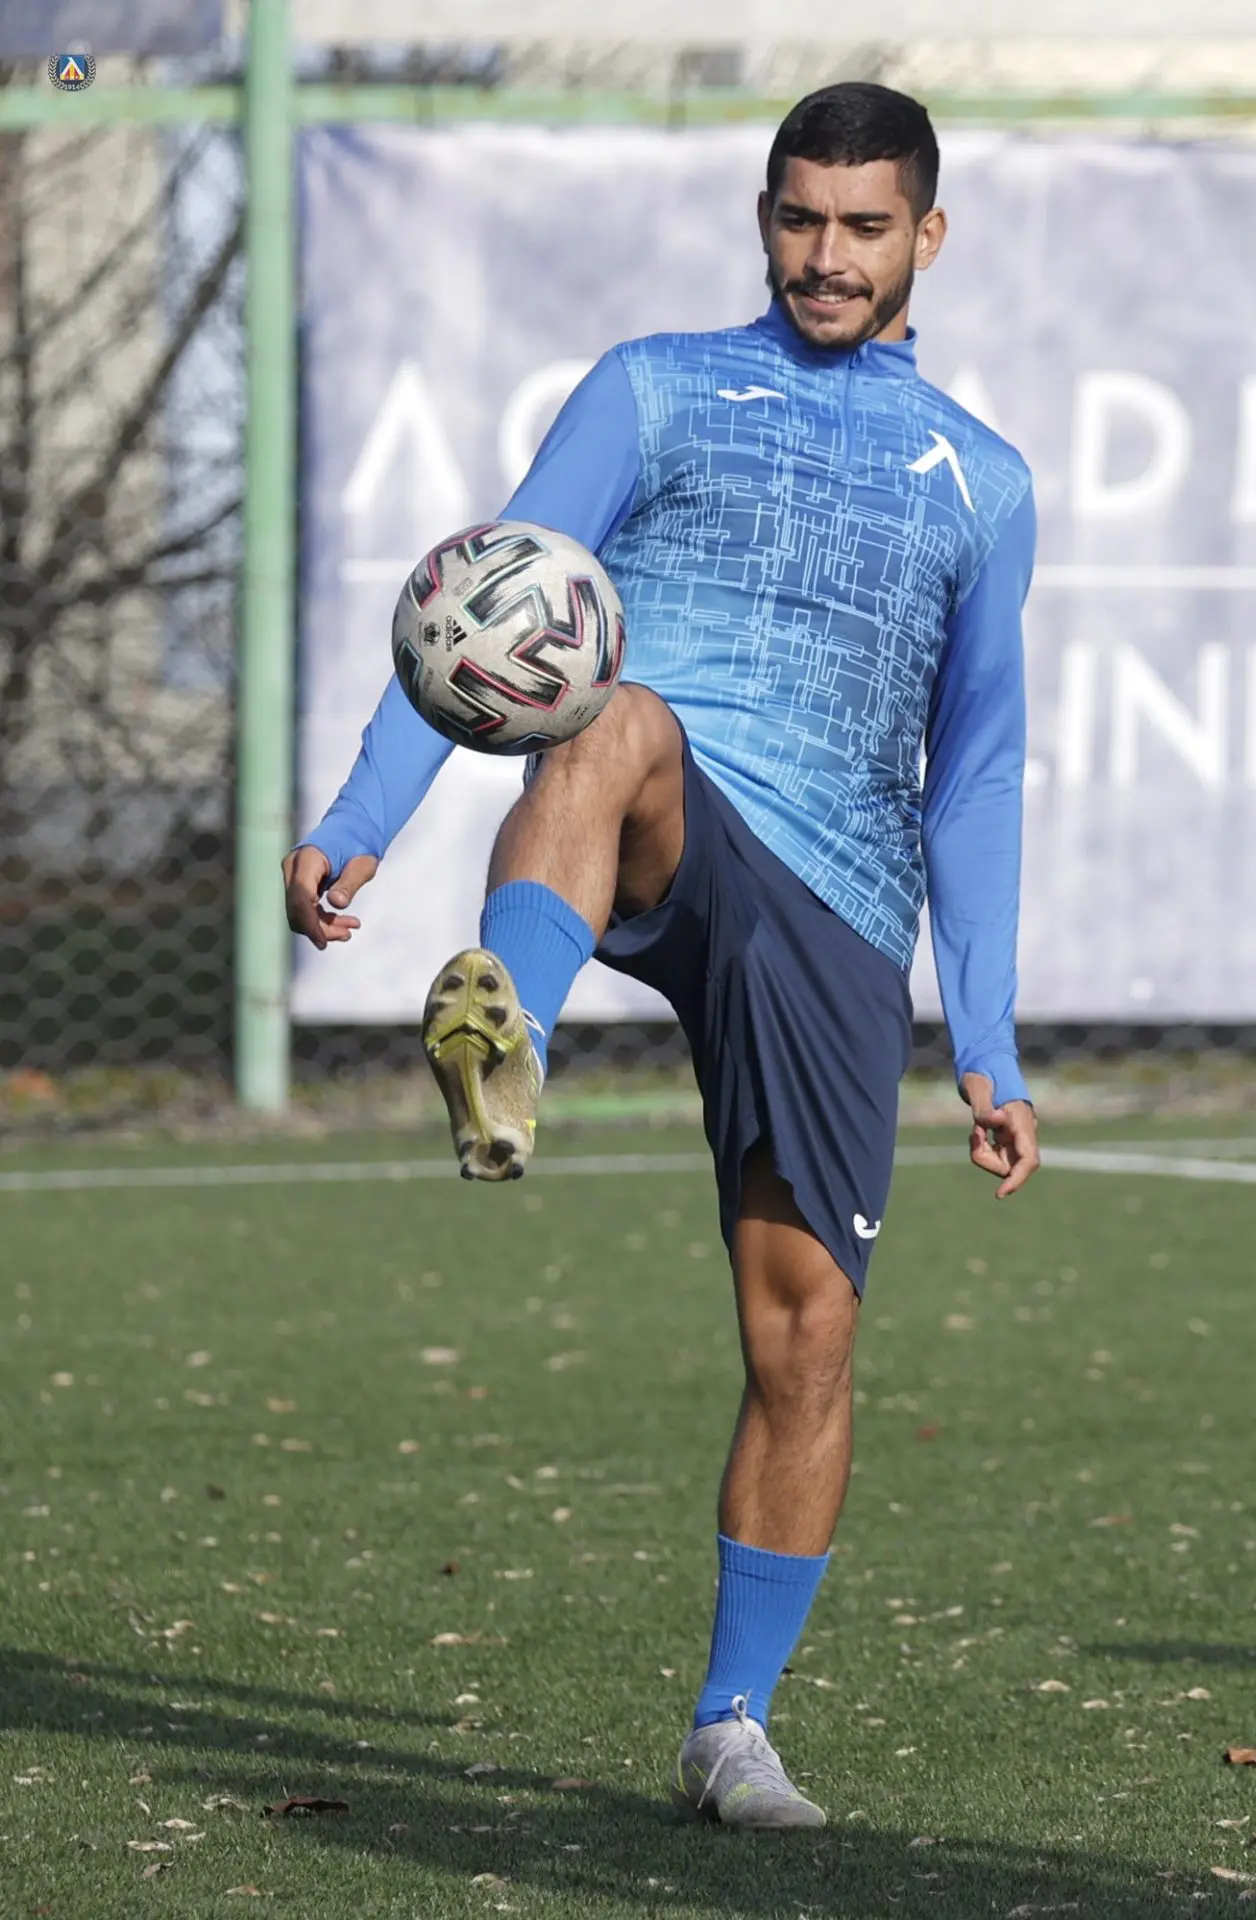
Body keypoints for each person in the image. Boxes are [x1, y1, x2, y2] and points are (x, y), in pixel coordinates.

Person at [283, 81, 1041, 1831]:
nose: (826, 255)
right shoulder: (655, 386)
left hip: (839, 910)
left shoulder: (984, 485)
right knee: (609, 715)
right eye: (799, 218)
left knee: (806, 1338)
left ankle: (729, 1728)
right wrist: (363, 815)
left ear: (928, 237)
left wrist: (987, 1040)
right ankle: (506, 1038)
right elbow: (489, 598)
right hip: (668, 805)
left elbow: (981, 768)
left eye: (863, 226)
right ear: (762, 217)